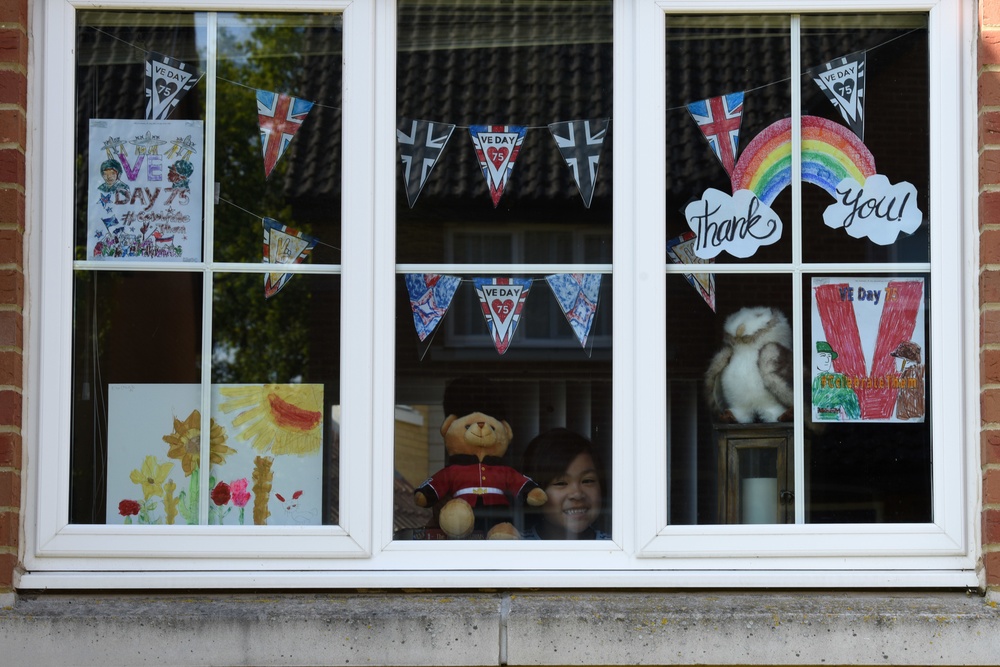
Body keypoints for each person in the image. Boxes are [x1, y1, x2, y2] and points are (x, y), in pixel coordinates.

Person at [521, 428, 609, 540]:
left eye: (587, 481)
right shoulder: (516, 548)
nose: (577, 494)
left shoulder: (616, 549)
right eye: (561, 483)